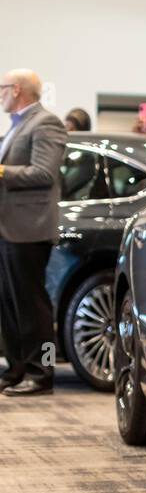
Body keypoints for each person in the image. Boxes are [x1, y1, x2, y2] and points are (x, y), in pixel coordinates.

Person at [0, 68, 67, 396]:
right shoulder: (15, 127)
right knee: (10, 304)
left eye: (2, 88)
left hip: (30, 229)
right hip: (7, 228)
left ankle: (43, 373)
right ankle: (15, 369)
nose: (0, 94)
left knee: (34, 307)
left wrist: (1, 170)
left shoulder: (46, 123)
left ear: (17, 90)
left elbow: (43, 172)